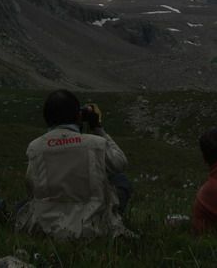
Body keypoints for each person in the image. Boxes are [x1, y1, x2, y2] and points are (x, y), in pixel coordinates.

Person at [15, 89, 133, 239]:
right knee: (121, 180)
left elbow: (32, 187)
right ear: (78, 116)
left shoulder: (35, 148)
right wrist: (97, 127)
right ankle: (106, 220)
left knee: (22, 205)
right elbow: (120, 163)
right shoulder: (95, 144)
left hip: (48, 227)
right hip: (90, 226)